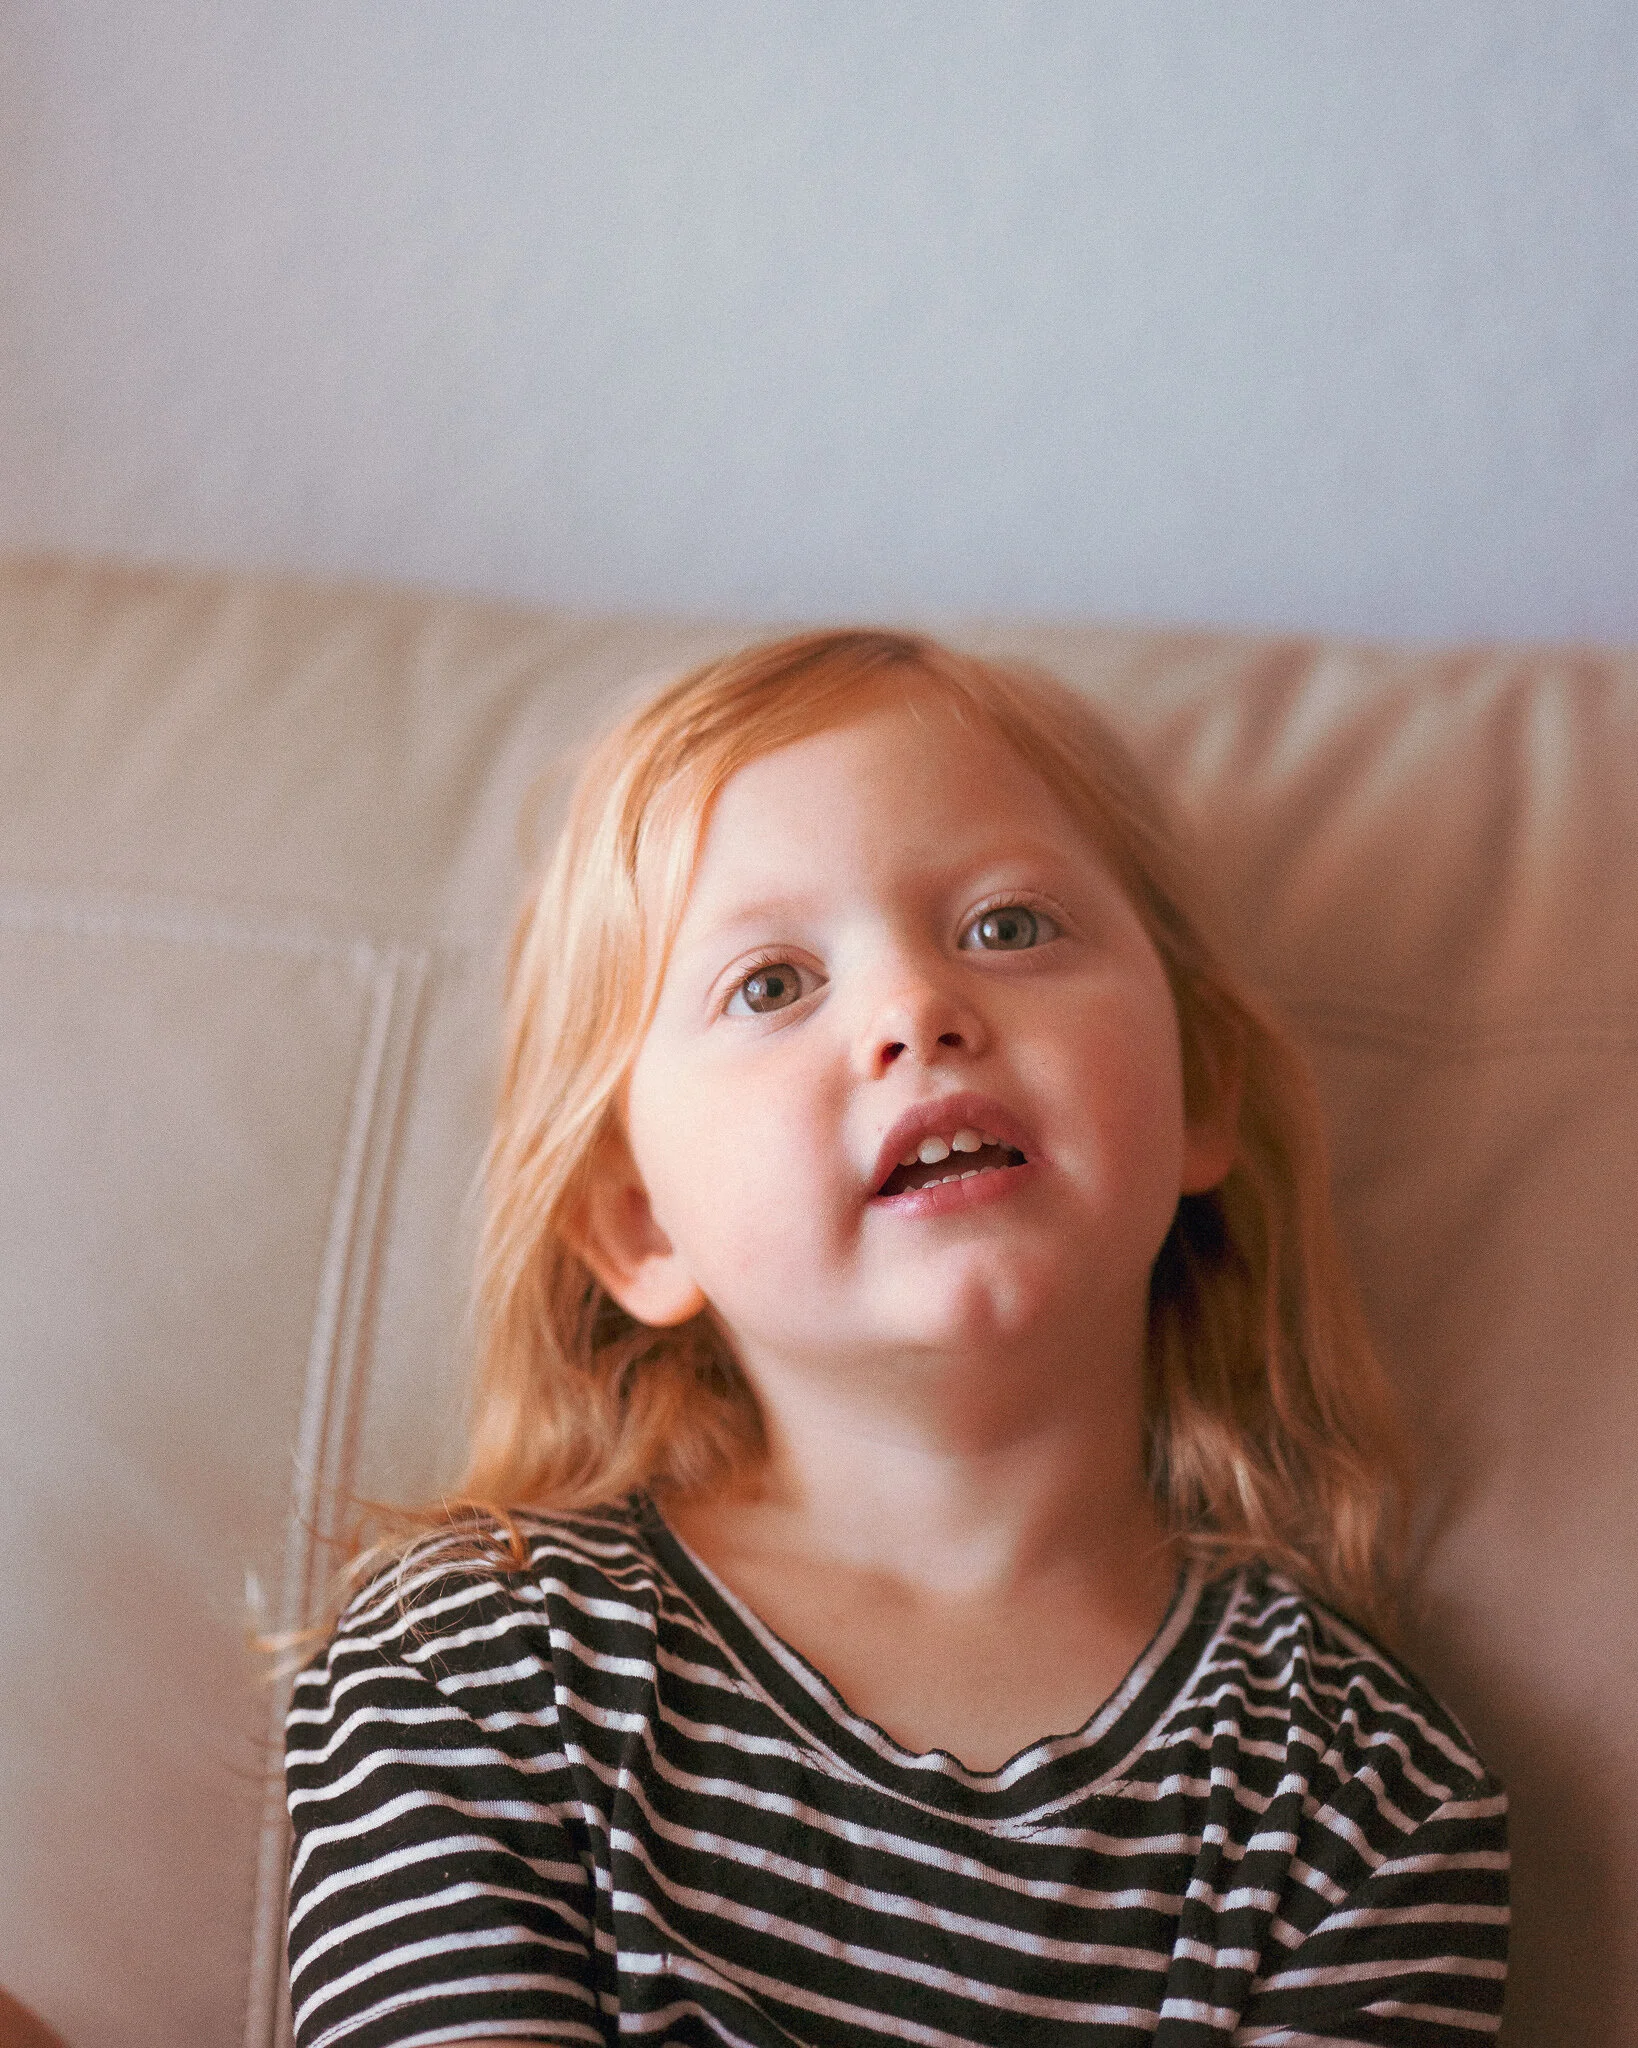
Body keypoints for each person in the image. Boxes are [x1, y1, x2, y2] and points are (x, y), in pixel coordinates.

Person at [284, 630, 1508, 2046]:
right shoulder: (473, 1666)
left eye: (1007, 926)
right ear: (637, 1226)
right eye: (771, 984)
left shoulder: (1365, 1791)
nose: (914, 1013)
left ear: (1200, 1091)